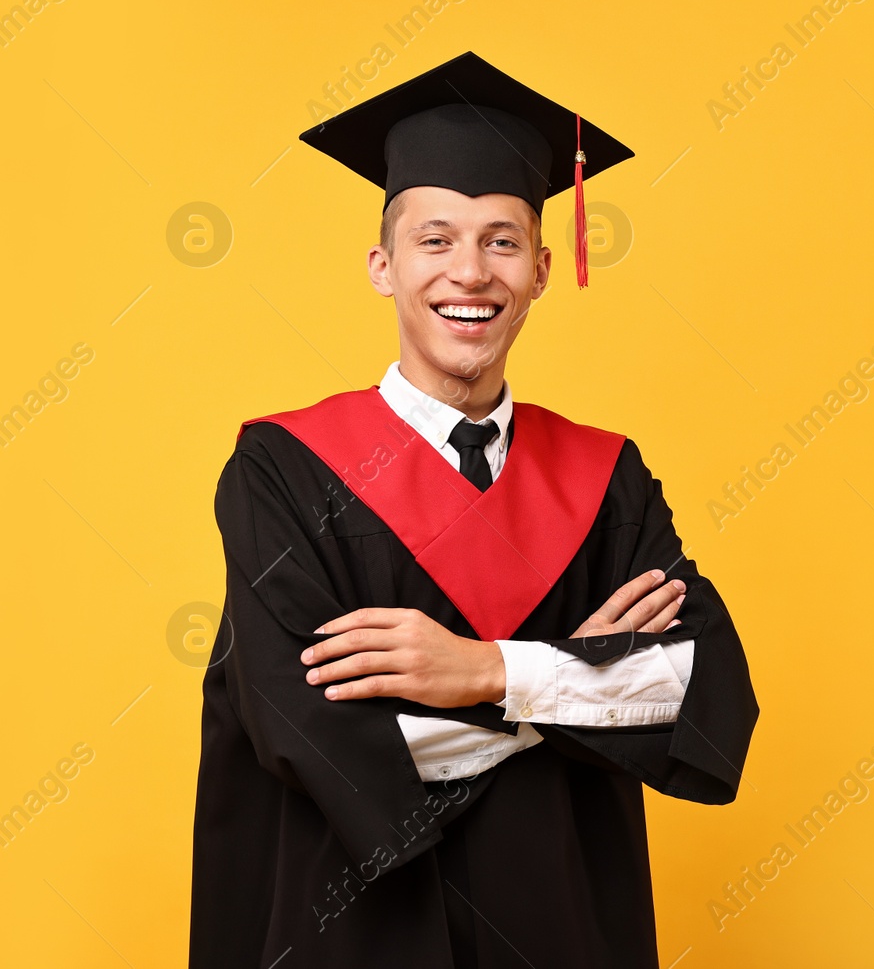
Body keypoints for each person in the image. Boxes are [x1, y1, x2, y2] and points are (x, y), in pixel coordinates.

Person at [190, 51, 759, 968]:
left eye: (501, 241)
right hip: (354, 930)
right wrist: (566, 685)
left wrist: (481, 670)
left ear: (540, 268)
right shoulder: (283, 471)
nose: (471, 271)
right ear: (382, 266)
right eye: (435, 239)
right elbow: (310, 732)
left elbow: (700, 686)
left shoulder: (606, 477)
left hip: (562, 924)